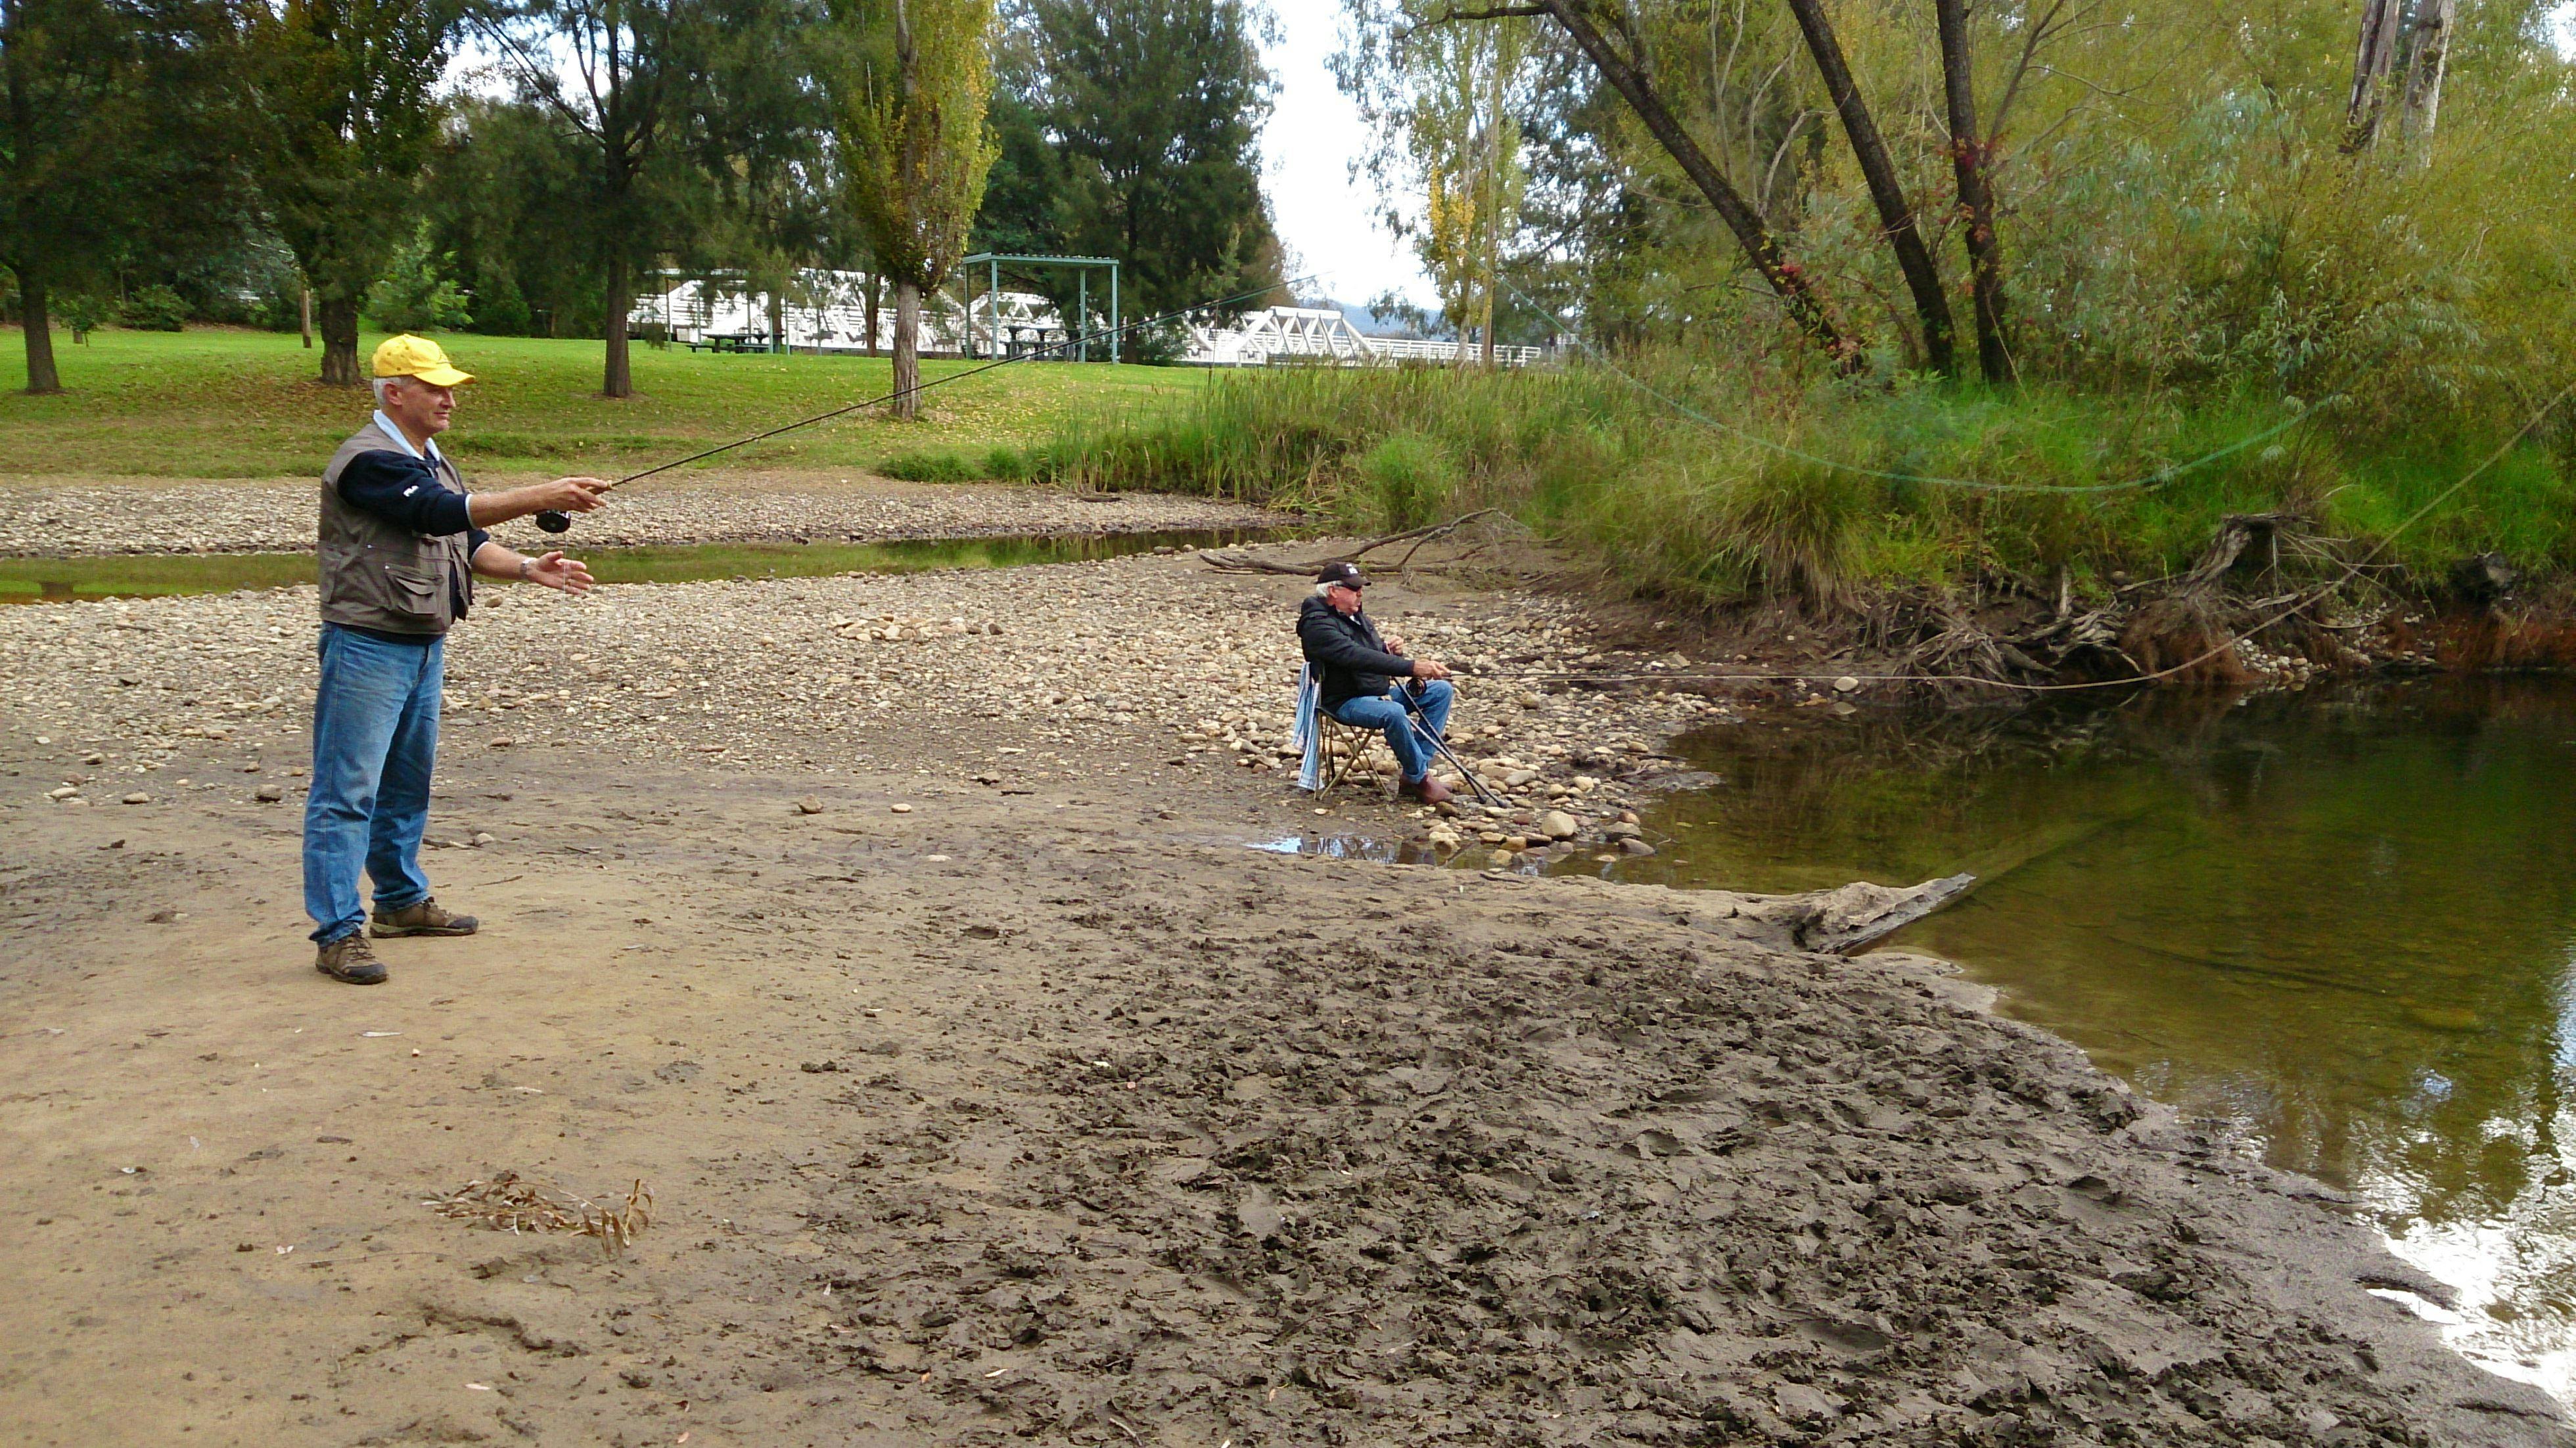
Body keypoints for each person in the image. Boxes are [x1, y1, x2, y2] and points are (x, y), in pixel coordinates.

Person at [304, 336, 611, 985]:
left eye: (451, 387)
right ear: (395, 392)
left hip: (422, 642)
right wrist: (540, 493)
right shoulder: (368, 461)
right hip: (366, 645)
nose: (449, 398)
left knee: (406, 784)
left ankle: (399, 902)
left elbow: (466, 538)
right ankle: (337, 933)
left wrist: (529, 567)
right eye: (435, 387)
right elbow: (441, 512)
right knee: (347, 792)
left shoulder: (430, 458)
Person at [1297, 560, 1458, 803]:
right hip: (1343, 702)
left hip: (1377, 693)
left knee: (1441, 691)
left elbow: (1372, 655)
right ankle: (1420, 778)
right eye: (1354, 589)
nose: (1360, 593)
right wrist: (1412, 667)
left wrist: (1388, 650)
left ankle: (1414, 772)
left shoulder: (1355, 616)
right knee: (1393, 713)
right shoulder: (1317, 625)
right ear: (1333, 591)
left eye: (1360, 588)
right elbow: (1354, 656)